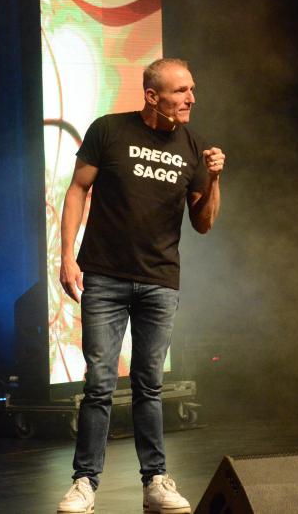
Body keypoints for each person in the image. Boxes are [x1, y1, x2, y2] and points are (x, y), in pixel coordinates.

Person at [56, 58, 225, 514]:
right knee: (99, 384)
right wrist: (67, 255)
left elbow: (204, 222)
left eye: (191, 89)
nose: (191, 98)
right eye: (181, 91)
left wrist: (213, 178)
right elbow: (77, 189)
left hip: (159, 280)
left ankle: (156, 482)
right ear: (152, 96)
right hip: (105, 275)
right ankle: (84, 483)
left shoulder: (192, 145)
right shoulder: (109, 130)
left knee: (149, 386)